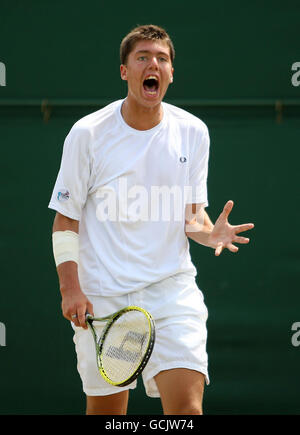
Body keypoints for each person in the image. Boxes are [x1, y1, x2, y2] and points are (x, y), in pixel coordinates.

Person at [48, 24, 254, 415]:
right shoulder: (87, 134)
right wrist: (70, 289)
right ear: (125, 71)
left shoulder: (193, 132)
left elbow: (193, 218)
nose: (152, 64)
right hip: (104, 297)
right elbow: (65, 222)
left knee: (188, 412)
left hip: (171, 292)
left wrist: (211, 234)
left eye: (161, 58)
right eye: (142, 57)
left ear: (171, 73)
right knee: (108, 415)